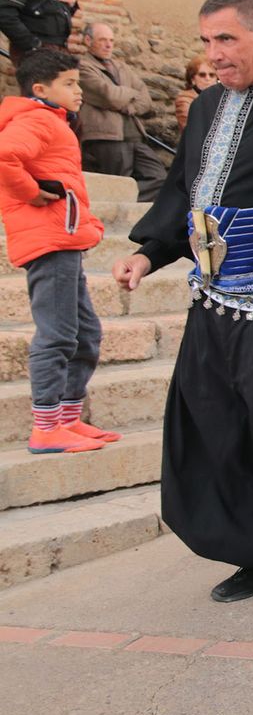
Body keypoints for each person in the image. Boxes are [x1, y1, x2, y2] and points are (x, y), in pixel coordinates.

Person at [113, 0, 253, 604]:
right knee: (217, 426)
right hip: (214, 300)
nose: (214, 54)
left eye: (227, 39)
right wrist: (147, 251)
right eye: (207, 41)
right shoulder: (208, 105)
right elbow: (185, 188)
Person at [0, 49, 119, 454]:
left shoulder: (52, 121)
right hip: (48, 243)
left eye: (78, 82)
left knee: (86, 333)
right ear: (40, 89)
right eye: (69, 83)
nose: (78, 91)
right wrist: (33, 194)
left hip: (62, 240)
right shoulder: (36, 119)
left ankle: (67, 419)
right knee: (57, 335)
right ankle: (46, 426)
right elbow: (4, 157)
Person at [76, 22, 165, 201]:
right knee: (118, 180)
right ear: (87, 40)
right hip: (107, 136)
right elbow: (108, 95)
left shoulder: (122, 67)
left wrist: (129, 105)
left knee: (159, 177)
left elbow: (146, 100)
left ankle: (125, 202)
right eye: (102, 40)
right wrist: (131, 94)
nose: (109, 45)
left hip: (135, 135)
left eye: (111, 40)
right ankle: (115, 210)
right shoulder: (82, 67)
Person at [174, 54, 219, 134]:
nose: (207, 79)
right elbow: (192, 130)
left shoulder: (221, 97)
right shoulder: (185, 100)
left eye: (212, 75)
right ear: (192, 79)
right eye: (202, 75)